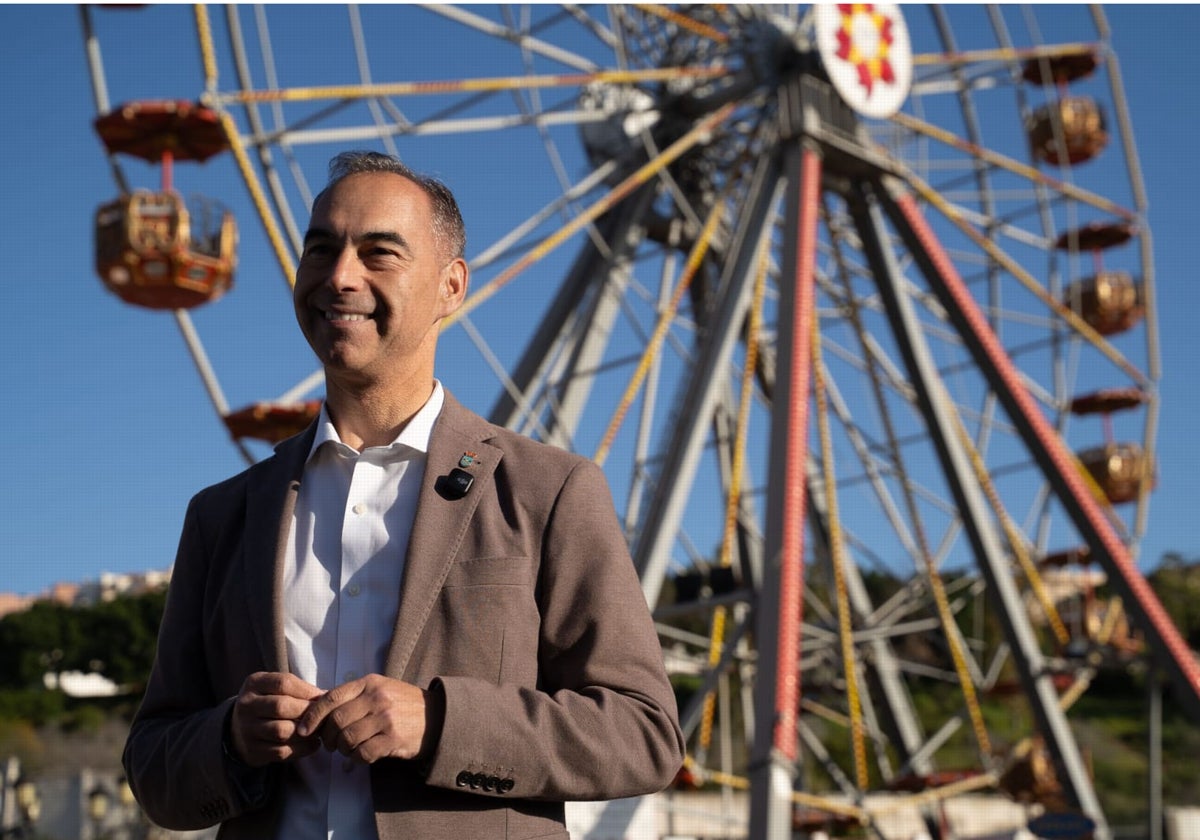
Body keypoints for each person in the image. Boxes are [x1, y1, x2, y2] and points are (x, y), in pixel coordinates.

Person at [122, 151, 685, 840]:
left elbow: (645, 733)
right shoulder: (224, 516)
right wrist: (230, 738)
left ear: (451, 287)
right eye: (320, 250)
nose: (340, 277)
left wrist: (440, 724)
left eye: (379, 253)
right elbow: (152, 766)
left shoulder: (549, 491)